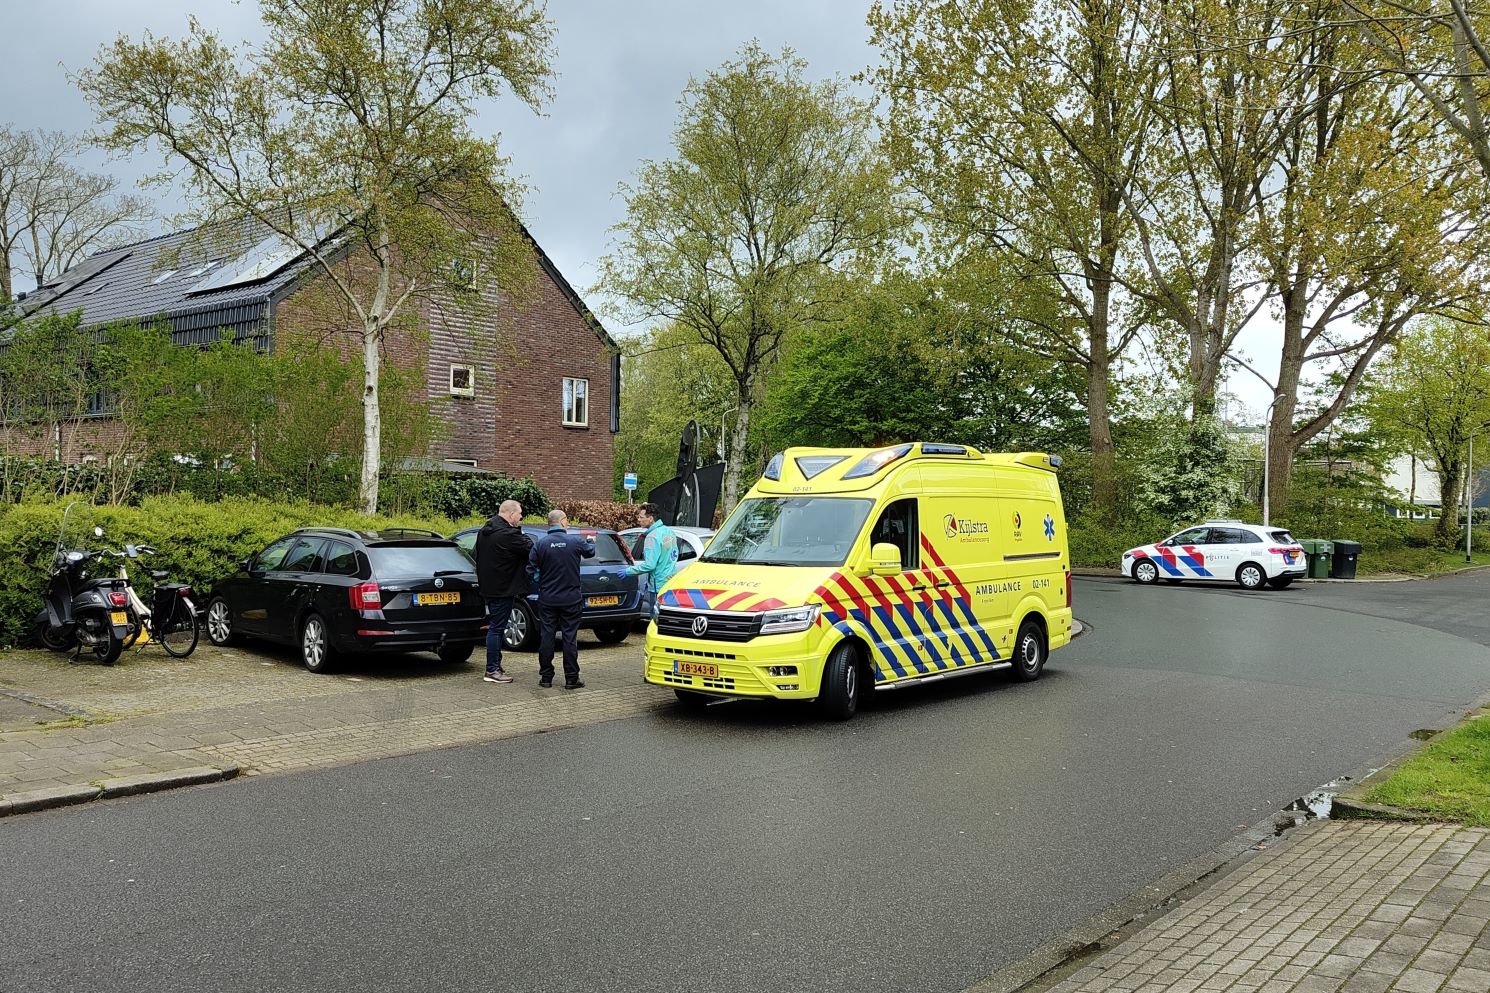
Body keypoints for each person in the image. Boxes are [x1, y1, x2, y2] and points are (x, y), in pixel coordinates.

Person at [527, 508, 595, 689]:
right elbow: (590, 552)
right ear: (563, 521)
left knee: (547, 636)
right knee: (569, 637)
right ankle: (572, 678)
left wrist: (542, 581)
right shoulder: (574, 542)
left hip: (548, 599)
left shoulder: (540, 545)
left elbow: (530, 570)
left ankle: (546, 677)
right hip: (571, 599)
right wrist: (590, 540)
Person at [473, 499, 531, 684]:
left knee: (495, 627)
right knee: (497, 629)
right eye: (519, 513)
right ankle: (492, 670)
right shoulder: (508, 534)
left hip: (489, 587)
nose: (521, 517)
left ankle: (495, 665)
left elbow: (476, 555)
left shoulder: (484, 531)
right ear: (511, 514)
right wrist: (522, 533)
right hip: (503, 588)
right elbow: (530, 548)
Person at [623, 503, 678, 620]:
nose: (638, 520)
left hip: (657, 585)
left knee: (656, 620)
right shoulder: (669, 532)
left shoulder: (652, 537)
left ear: (651, 518)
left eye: (641, 517)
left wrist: (629, 571)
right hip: (670, 581)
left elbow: (650, 565)